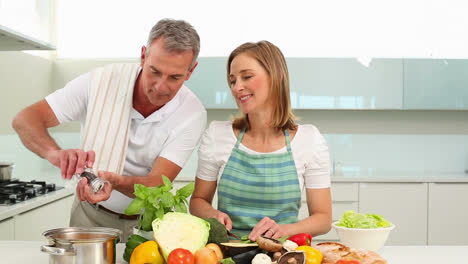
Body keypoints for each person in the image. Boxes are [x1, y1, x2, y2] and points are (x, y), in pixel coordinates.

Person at [12, 19, 207, 241]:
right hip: (89, 217)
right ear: (143, 56)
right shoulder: (100, 82)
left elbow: (157, 184)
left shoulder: (192, 113)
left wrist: (114, 183)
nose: (161, 86)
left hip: (150, 223)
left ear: (191, 72)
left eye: (175, 77)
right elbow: (25, 119)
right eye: (154, 71)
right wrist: (55, 154)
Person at [189, 41, 331, 241]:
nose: (237, 87)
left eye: (247, 77)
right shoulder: (217, 135)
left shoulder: (309, 140)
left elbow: (323, 218)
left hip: (282, 256)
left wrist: (284, 230)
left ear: (277, 76)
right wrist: (213, 215)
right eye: (232, 81)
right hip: (228, 255)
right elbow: (198, 201)